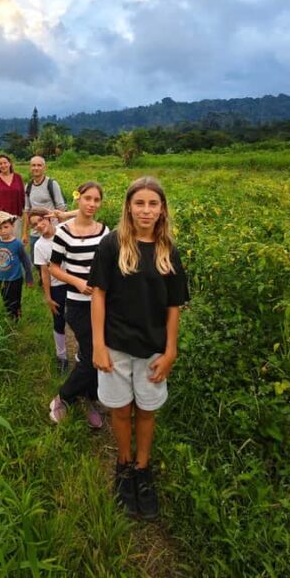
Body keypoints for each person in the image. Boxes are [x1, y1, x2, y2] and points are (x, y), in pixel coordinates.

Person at [89, 177, 189, 520]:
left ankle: (143, 468)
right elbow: (98, 295)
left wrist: (171, 351)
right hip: (115, 346)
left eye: (153, 204)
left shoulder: (168, 251)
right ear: (128, 207)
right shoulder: (112, 245)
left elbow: (174, 306)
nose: (146, 210)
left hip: (153, 349)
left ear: (162, 210)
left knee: (146, 410)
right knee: (120, 410)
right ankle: (124, 464)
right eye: (139, 203)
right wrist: (98, 345)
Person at [48, 181, 109, 429]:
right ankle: (64, 396)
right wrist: (77, 282)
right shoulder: (63, 231)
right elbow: (53, 267)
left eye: (96, 200)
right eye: (87, 198)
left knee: (95, 353)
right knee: (94, 354)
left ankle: (91, 397)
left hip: (103, 303)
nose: (92, 204)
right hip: (77, 304)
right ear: (79, 199)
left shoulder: (104, 232)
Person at [29, 207, 69, 373]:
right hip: (57, 286)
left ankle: (85, 354)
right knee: (59, 321)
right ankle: (62, 356)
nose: (39, 225)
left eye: (40, 220)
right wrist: (48, 296)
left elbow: (84, 214)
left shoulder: (64, 230)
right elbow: (44, 273)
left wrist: (63, 215)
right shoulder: (39, 246)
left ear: (48, 218)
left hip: (75, 283)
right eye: (34, 224)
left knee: (81, 319)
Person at [22, 156, 67, 263]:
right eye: (33, 165)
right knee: (37, 261)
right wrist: (25, 233)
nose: (36, 168)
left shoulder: (52, 184)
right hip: (35, 231)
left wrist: (63, 231)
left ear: (44, 168)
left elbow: (61, 208)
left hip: (52, 230)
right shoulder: (28, 187)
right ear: (30, 167)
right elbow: (27, 211)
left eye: (39, 165)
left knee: (56, 261)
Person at [0, 211, 33, 321]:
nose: (3, 231)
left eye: (6, 227)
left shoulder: (17, 244)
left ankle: (16, 315)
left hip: (15, 278)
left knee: (15, 298)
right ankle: (10, 315)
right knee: (5, 298)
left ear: (12, 226)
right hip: (2, 278)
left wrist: (29, 278)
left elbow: (25, 261)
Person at [0, 154, 25, 239]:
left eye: (5, 163)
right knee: (3, 241)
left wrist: (25, 213)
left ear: (10, 163)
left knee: (16, 240)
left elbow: (23, 196)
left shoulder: (18, 177)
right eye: (0, 164)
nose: (3, 165)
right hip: (0, 216)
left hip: (16, 214)